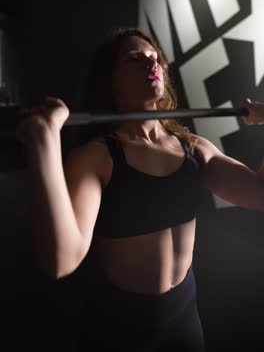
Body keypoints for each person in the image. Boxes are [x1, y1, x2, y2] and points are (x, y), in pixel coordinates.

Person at [17, 27, 264, 351]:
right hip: (121, 330)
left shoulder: (193, 148)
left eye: (154, 58)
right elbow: (61, 260)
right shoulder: (97, 156)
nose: (152, 64)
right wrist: (45, 139)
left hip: (185, 321)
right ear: (111, 80)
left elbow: (260, 194)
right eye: (135, 59)